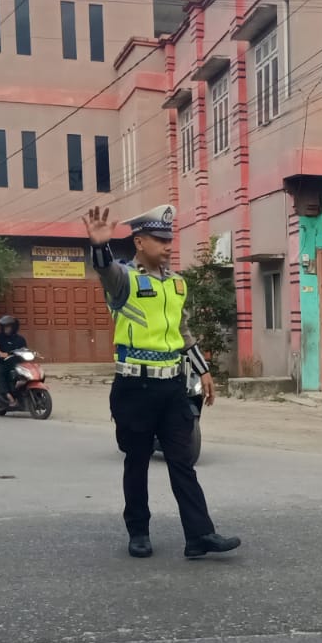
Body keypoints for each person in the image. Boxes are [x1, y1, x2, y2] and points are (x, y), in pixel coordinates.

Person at [83, 203, 240, 561]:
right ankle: (138, 531)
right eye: (159, 239)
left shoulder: (177, 283)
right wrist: (99, 246)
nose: (167, 245)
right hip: (134, 387)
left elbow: (183, 332)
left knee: (182, 461)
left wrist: (203, 370)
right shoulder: (124, 279)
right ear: (139, 242)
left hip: (172, 388)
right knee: (136, 461)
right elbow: (104, 270)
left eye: (169, 239)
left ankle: (199, 535)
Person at [0, 314, 28, 403]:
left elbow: (25, 349)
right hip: (2, 363)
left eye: (9, 326)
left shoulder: (20, 339)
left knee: (28, 372)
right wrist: (0, 353)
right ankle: (7, 395)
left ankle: (23, 391)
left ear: (14, 327)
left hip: (16, 363)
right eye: (5, 326)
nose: (7, 328)